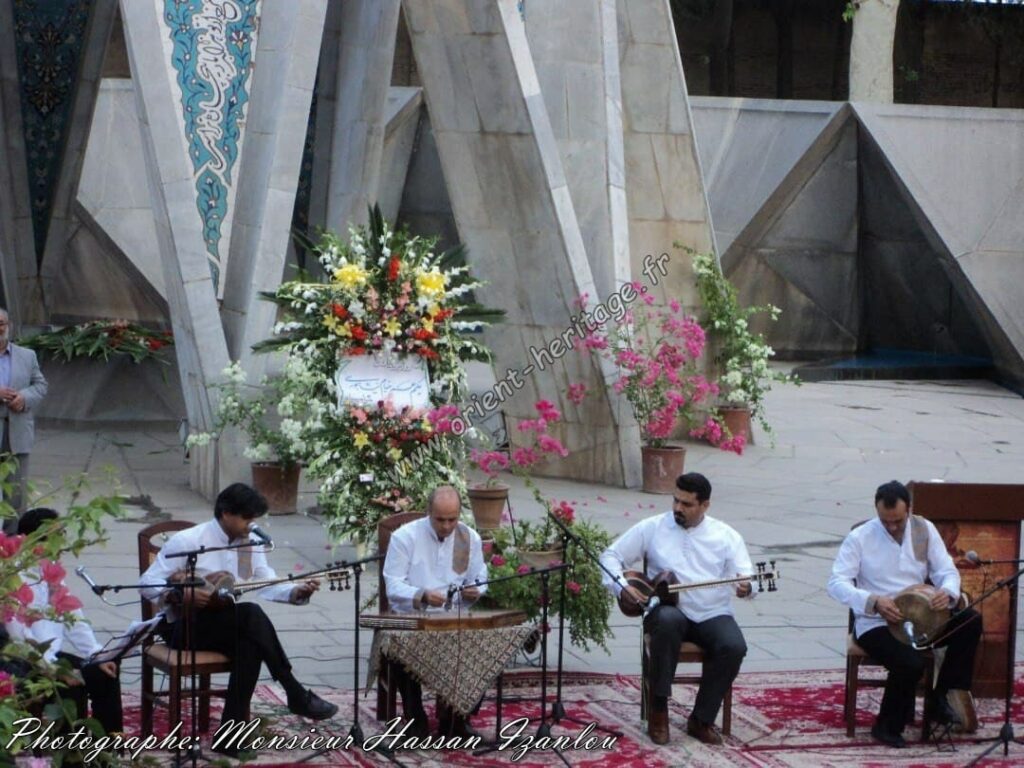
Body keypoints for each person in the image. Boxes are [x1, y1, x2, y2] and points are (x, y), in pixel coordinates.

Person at [140, 483, 337, 754]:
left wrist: (295, 591)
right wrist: (176, 595)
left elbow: (264, 581)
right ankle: (293, 691)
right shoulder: (188, 540)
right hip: (183, 627)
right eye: (246, 518)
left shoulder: (249, 543)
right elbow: (146, 582)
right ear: (225, 513)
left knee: (250, 641)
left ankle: (230, 737)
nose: (250, 524)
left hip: (224, 622)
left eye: (254, 519)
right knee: (250, 618)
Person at [600, 472, 752, 746]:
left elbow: (746, 577)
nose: (677, 509)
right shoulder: (653, 527)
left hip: (711, 612)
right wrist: (622, 586)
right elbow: (610, 556)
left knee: (734, 646)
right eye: (675, 501)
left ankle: (701, 719)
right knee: (667, 623)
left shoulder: (727, 536)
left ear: (705, 505)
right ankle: (659, 709)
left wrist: (746, 588)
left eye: (687, 504)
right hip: (667, 609)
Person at [827, 480, 982, 748]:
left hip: (923, 615)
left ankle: (939, 696)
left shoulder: (924, 529)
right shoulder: (861, 537)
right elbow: (836, 583)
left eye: (897, 521)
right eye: (885, 521)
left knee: (970, 621)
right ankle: (886, 726)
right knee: (910, 662)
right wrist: (873, 601)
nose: (892, 527)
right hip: (877, 622)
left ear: (908, 509)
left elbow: (946, 571)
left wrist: (948, 591)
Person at [382, 485, 488, 738]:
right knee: (400, 644)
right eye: (440, 519)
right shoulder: (405, 537)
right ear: (428, 512)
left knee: (486, 646)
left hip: (455, 616)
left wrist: (476, 590)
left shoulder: (467, 537)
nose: (447, 526)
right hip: (413, 616)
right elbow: (393, 585)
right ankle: (415, 718)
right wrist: (422, 595)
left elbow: (480, 576)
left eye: (452, 519)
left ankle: (456, 718)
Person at [4, 508, 122, 734]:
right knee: (71, 687)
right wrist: (54, 669)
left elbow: (73, 617)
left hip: (51, 655)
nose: (62, 543)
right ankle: (70, 756)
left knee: (105, 672)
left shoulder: (51, 571)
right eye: (56, 536)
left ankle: (108, 750)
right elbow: (19, 637)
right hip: (23, 660)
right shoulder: (13, 575)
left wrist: (95, 654)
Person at [0, 308, 48, 533]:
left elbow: (41, 386)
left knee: (16, 492)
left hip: (17, 431)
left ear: (8, 325)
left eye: (1, 323)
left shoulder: (26, 355)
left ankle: (11, 541)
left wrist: (24, 398)